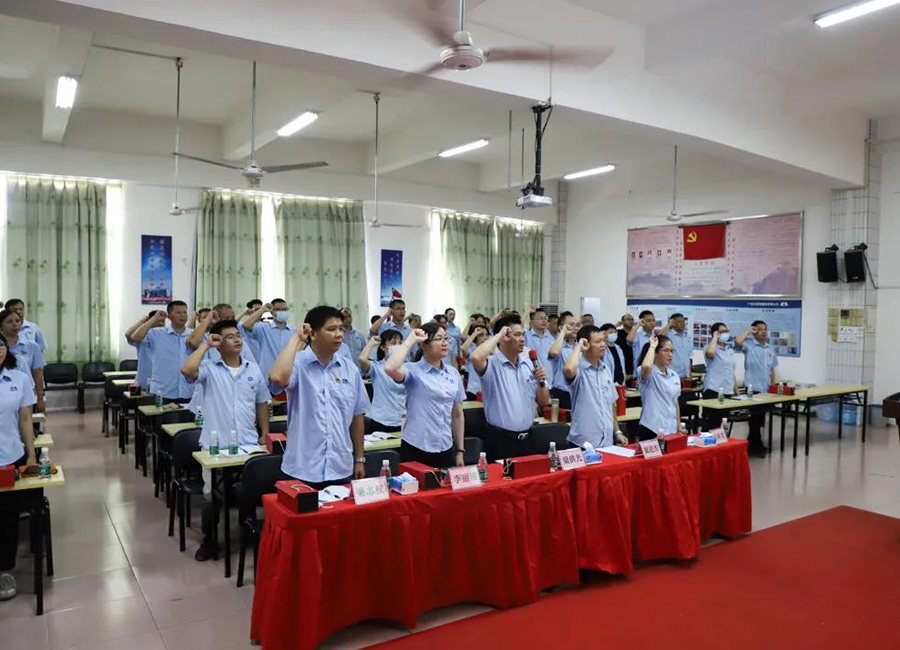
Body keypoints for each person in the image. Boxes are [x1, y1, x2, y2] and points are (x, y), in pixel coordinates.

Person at [181, 319, 270, 561]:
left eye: (238, 335)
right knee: (212, 496)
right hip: (216, 445)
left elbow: (262, 402)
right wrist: (205, 345)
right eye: (229, 336)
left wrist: (264, 432)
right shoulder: (210, 368)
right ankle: (210, 541)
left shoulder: (253, 369)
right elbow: (187, 370)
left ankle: (247, 532)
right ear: (218, 343)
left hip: (248, 444)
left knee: (249, 492)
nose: (237, 339)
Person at [270, 306, 369, 487]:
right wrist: (297, 338)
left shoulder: (349, 369)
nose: (339, 335)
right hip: (302, 468)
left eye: (340, 329)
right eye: (331, 329)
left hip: (341, 466)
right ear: (313, 334)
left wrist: (359, 458)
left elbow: (357, 416)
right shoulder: (297, 363)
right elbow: (277, 378)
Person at [384, 322, 465, 468]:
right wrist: (410, 340)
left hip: (445, 446)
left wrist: (460, 450)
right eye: (439, 339)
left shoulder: (453, 373)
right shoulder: (413, 370)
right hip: (416, 446)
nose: (444, 343)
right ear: (424, 344)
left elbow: (457, 414)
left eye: (446, 338)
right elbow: (390, 368)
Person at [471, 314, 550, 461]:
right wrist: (498, 335)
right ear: (504, 338)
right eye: (517, 335)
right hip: (500, 440)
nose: (522, 339)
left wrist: (541, 383)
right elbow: (475, 357)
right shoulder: (492, 364)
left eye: (523, 334)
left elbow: (544, 402)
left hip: (528, 437)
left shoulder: (529, 363)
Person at [0, 332, 37, 601]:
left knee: (6, 517)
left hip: (9, 456)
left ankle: (5, 569)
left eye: (0, 345)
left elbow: (25, 420)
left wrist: (31, 455)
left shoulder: (19, 379)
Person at [563, 325, 626, 449]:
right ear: (586, 344)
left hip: (607, 441)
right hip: (583, 443)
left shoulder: (606, 369)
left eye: (603, 340)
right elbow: (568, 369)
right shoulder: (578, 369)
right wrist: (578, 347)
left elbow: (610, 404)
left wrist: (617, 431)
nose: (603, 344)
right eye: (598, 341)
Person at [128, 301, 194, 403]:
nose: (183, 315)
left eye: (185, 312)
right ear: (169, 316)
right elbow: (135, 337)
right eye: (178, 312)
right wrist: (153, 319)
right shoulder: (156, 334)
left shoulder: (193, 335)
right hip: (163, 392)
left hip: (189, 391)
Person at [735, 320, 778, 457]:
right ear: (754, 331)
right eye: (760, 329)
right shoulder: (749, 345)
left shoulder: (770, 348)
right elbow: (737, 342)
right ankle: (756, 446)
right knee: (755, 419)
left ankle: (752, 444)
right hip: (752, 388)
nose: (763, 332)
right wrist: (749, 331)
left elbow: (772, 369)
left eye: (765, 329)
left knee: (760, 419)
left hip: (766, 389)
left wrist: (773, 385)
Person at [636, 335, 684, 441]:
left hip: (670, 429)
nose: (670, 354)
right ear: (655, 353)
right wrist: (652, 346)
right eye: (666, 351)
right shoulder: (648, 372)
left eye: (671, 351)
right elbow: (647, 366)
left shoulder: (674, 375)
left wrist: (678, 425)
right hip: (651, 429)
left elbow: (675, 402)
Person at [358, 330, 406, 434]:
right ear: (383, 347)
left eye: (400, 343)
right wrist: (371, 343)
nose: (398, 346)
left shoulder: (407, 368)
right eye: (393, 343)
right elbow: (362, 359)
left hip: (403, 420)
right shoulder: (377, 367)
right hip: (381, 420)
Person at [241, 299, 295, 389]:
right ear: (272, 311)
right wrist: (262, 310)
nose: (282, 312)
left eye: (285, 309)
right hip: (266, 379)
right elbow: (246, 325)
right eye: (278, 309)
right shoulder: (264, 327)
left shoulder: (293, 331)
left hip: (287, 378)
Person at [0, 310, 45, 412]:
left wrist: (40, 398)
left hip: (22, 396)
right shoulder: (3, 351)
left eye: (17, 321)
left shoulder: (31, 347)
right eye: (9, 321)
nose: (15, 324)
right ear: (1, 327)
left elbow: (37, 373)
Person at [702, 322, 737, 430]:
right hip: (713, 389)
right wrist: (715, 338)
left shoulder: (729, 349)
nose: (725, 333)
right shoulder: (710, 347)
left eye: (726, 331)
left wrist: (736, 390)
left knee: (723, 424)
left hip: (727, 390)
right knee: (712, 424)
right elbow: (710, 353)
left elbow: (731, 370)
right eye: (722, 331)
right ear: (715, 333)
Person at [547, 312, 578, 409]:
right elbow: (554, 352)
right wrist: (563, 332)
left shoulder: (581, 346)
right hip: (562, 392)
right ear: (561, 327)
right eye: (571, 325)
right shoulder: (557, 345)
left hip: (578, 391)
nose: (575, 328)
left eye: (577, 325)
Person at [124, 311, 159, 391]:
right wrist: (142, 321)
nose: (161, 324)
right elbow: (128, 334)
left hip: (160, 384)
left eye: (163, 322)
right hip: (143, 383)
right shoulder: (142, 337)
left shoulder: (165, 338)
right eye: (157, 320)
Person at [659, 313, 692, 380]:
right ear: (673, 323)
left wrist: (689, 374)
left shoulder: (687, 337)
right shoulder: (668, 335)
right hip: (671, 376)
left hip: (685, 377)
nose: (682, 324)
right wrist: (669, 324)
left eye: (683, 321)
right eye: (679, 321)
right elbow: (659, 338)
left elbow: (688, 358)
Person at [460, 325, 489, 400]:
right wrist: (475, 333)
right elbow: (463, 348)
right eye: (481, 335)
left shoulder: (490, 352)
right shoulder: (473, 350)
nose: (485, 337)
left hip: (488, 391)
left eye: (486, 335)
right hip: (473, 391)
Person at [627, 310, 656, 374]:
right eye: (649, 321)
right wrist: (638, 324)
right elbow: (629, 340)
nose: (652, 323)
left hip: (654, 373)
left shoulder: (656, 337)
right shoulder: (637, 336)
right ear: (642, 322)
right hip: (640, 373)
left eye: (653, 320)